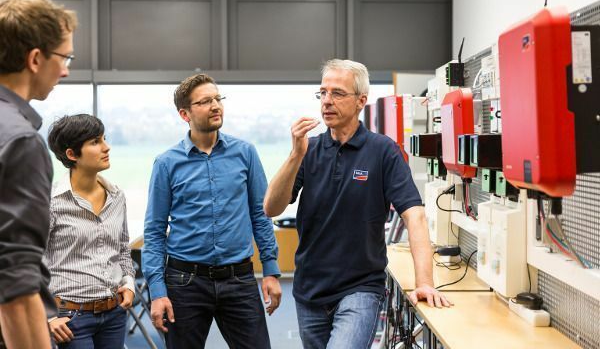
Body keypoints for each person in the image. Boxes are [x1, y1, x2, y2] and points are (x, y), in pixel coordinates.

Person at [263, 59, 452, 348]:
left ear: (361, 100)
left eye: (337, 93)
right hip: (309, 289)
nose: (327, 101)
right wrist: (294, 155)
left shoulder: (383, 151)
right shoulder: (308, 150)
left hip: (360, 289)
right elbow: (271, 208)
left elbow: (415, 215)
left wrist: (424, 281)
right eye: (323, 93)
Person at [142, 73, 282, 349]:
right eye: (205, 101)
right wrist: (157, 291)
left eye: (218, 98)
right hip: (185, 283)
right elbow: (155, 231)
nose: (216, 105)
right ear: (185, 114)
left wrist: (271, 269)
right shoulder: (166, 164)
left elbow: (260, 214)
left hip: (239, 279)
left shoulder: (245, 153)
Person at [0, 0, 77, 349]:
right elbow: (14, 282)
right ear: (35, 59)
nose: (65, 70)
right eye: (64, 57)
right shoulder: (20, 141)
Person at [44, 114, 135, 348]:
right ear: (72, 154)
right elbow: (31, 262)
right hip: (70, 318)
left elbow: (122, 249)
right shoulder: (51, 202)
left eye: (104, 138)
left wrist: (128, 283)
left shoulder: (117, 196)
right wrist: (48, 316)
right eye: (95, 142)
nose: (106, 147)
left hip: (114, 314)